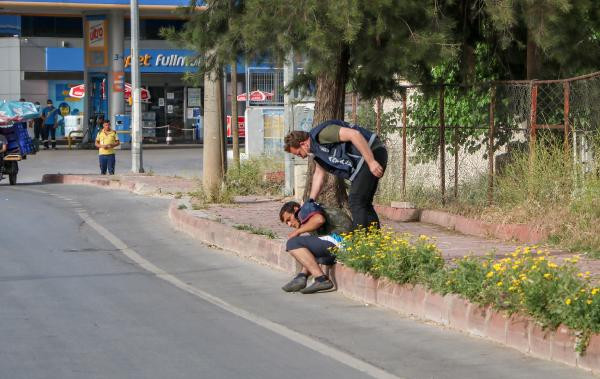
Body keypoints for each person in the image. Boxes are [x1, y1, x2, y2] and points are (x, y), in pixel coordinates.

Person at [284, 120, 388, 230]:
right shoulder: (316, 152)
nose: (301, 156)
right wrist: (311, 200)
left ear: (303, 144)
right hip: (364, 161)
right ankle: (374, 241)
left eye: (299, 153)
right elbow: (319, 175)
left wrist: (371, 161)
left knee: (356, 201)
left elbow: (354, 134)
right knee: (363, 203)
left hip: (372, 152)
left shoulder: (322, 134)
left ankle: (360, 240)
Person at [279, 200, 352, 294]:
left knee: (293, 243)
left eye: (289, 219)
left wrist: (297, 232)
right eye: (286, 223)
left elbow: (319, 220)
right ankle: (302, 276)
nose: (289, 224)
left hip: (342, 240)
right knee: (306, 247)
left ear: (295, 210)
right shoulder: (306, 218)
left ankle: (321, 279)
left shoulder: (303, 211)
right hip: (341, 243)